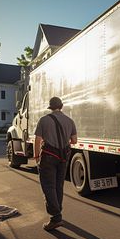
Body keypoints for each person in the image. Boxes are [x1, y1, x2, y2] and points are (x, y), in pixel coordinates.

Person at [34, 97, 77, 231]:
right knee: (59, 185)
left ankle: (55, 217)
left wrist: (36, 156)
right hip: (63, 157)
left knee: (48, 185)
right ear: (61, 106)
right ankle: (58, 211)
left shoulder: (44, 120)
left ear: (50, 107)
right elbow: (74, 141)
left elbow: (37, 140)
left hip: (48, 156)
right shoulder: (70, 121)